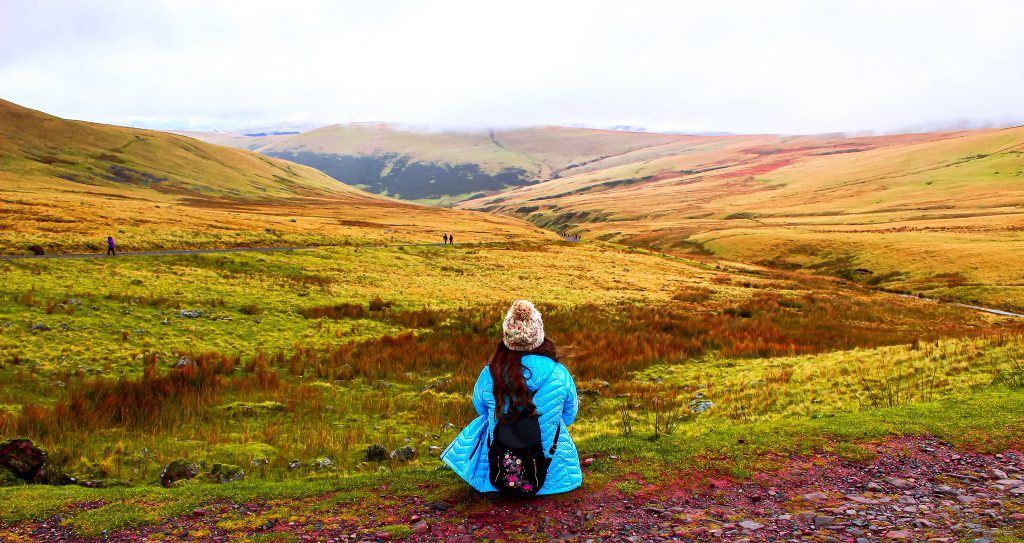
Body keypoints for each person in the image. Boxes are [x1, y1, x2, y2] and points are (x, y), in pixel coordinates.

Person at [441, 300, 582, 495]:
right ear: (539, 336)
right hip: (556, 477)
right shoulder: (560, 374)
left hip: (501, 468)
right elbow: (569, 415)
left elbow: (480, 408)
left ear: (507, 338)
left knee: (485, 422)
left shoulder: (490, 374)